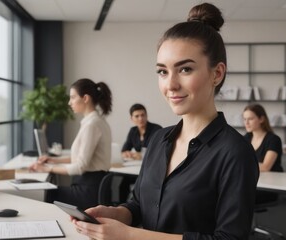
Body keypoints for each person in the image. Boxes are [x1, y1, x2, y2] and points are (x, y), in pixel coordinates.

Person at [72, 3, 259, 240]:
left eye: (185, 69)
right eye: (162, 71)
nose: (170, 85)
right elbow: (139, 205)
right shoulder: (159, 139)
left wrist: (129, 236)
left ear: (217, 73)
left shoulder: (235, 152)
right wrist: (117, 213)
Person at [29, 78, 112, 210]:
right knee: (46, 191)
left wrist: (47, 168)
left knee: (45, 193)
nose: (69, 102)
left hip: (88, 192)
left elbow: (80, 167)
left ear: (85, 98)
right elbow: (80, 158)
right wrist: (53, 160)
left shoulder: (92, 124)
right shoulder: (94, 121)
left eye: (72, 97)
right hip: (90, 186)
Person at [243, 103, 283, 204]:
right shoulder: (246, 138)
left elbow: (265, 167)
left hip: (268, 187)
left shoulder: (273, 139)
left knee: (236, 196)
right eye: (244, 119)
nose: (246, 123)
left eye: (250, 119)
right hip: (252, 182)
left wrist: (242, 164)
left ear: (261, 119)